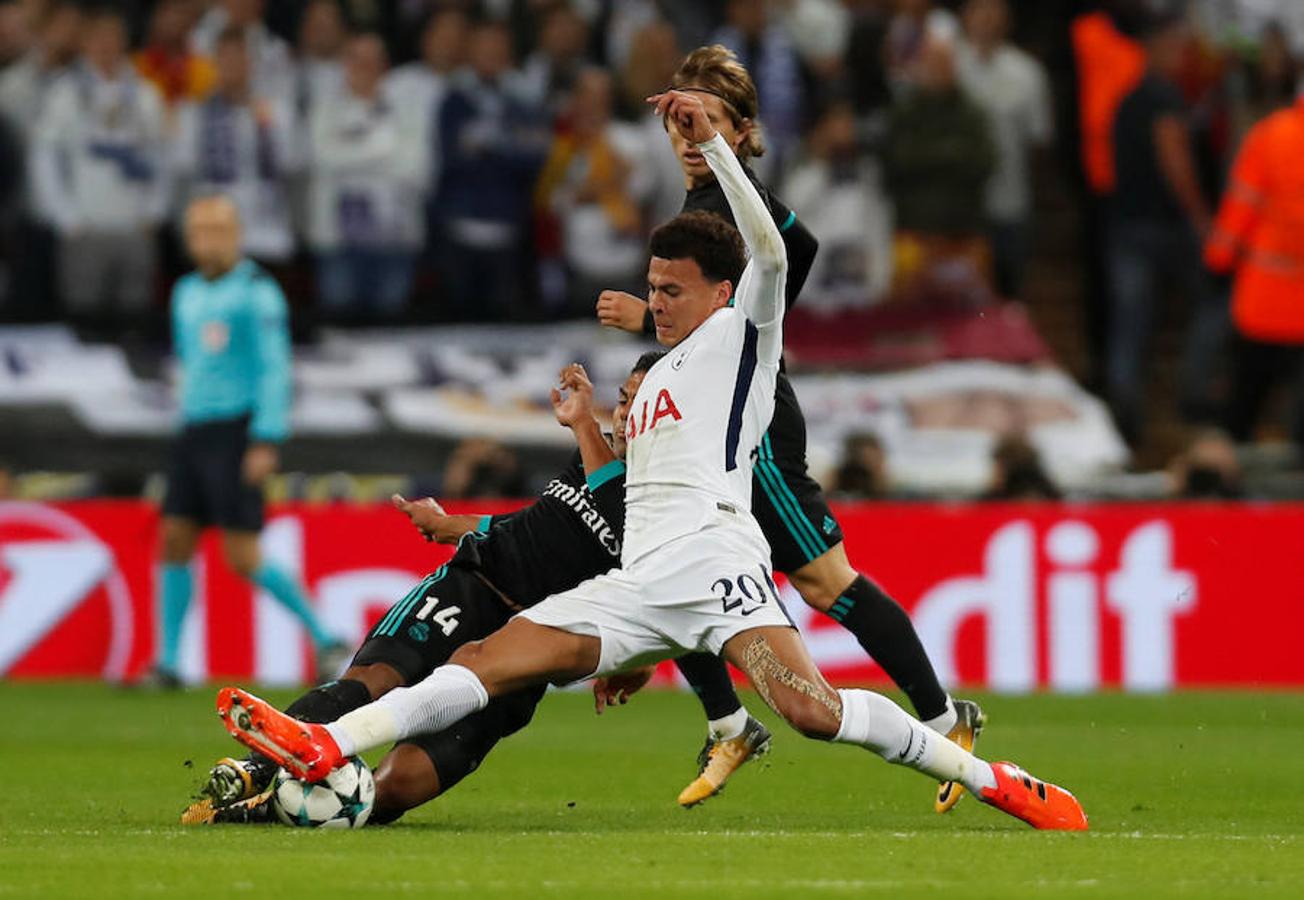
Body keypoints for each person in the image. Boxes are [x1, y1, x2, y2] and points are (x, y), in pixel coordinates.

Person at [213, 90, 1087, 832]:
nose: (656, 302)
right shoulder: (659, 370)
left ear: (717, 291)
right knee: (482, 662)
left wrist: (714, 151)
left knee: (814, 713)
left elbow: (774, 255)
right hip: (637, 582)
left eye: (672, 290)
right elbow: (611, 486)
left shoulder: (747, 334)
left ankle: (994, 779)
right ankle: (330, 742)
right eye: (653, 286)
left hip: (716, 564)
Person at [595, 45, 981, 813]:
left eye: (703, 117)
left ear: (739, 130)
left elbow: (790, 252)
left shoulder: (730, 203)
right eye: (678, 114)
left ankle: (944, 721)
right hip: (714, 412)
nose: (685, 129)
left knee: (823, 580)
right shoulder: (704, 202)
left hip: (753, 424)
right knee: (674, 561)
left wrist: (709, 329)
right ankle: (731, 721)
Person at [183, 355, 660, 824]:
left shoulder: (666, 493)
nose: (625, 414)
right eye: (623, 400)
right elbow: (535, 526)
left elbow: (657, 573)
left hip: (532, 640)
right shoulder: (594, 452)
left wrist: (640, 657)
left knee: (402, 782)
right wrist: (456, 525)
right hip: (475, 586)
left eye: (641, 404)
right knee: (375, 680)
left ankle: (262, 812)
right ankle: (253, 768)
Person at [146, 195, 345, 689]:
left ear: (235, 234)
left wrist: (265, 438)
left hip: (238, 431)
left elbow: (275, 369)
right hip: (194, 430)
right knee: (174, 539)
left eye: (216, 230)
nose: (206, 240)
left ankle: (326, 638)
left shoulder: (257, 292)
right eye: (197, 231)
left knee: (242, 554)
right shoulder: (186, 292)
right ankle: (168, 664)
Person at [1106, 13, 1220, 443]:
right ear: (1155, 48)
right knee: (1213, 301)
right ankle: (1193, 391)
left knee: (1130, 322)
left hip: (1125, 224)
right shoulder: (1162, 98)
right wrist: (1201, 220)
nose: (1180, 54)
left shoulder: (1127, 99)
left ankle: (1125, 412)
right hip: (1162, 227)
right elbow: (1175, 161)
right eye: (1175, 45)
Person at [30, 7, 168, 332]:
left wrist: (154, 212)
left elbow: (163, 157)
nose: (106, 45)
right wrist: (64, 216)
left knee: (135, 321)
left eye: (113, 38)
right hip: (85, 228)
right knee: (83, 320)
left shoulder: (146, 95)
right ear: (85, 43)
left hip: (134, 227)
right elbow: (44, 157)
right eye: (98, 38)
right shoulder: (65, 92)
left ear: (124, 42)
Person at [1204, 81, 1304, 457]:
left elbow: (1241, 204)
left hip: (1265, 301)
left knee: (1246, 398)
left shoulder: (1270, 135)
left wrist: (1217, 261)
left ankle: (1231, 473)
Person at [308, 32, 428, 322]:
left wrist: (353, 150)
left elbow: (415, 168)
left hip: (395, 238)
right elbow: (325, 159)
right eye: (356, 59)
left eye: (371, 60)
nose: (363, 67)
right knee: (340, 318)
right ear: (345, 64)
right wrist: (385, 146)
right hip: (339, 238)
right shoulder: (325, 110)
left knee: (391, 323)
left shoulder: (409, 111)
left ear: (384, 65)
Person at [172, 26, 298, 265]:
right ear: (214, 62)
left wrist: (261, 123)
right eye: (225, 57)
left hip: (266, 235)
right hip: (216, 236)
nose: (232, 64)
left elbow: (291, 162)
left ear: (252, 63)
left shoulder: (276, 112)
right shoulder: (193, 113)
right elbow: (182, 165)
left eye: (239, 56)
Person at [955, 0, 1052, 298]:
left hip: (1010, 201)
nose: (986, 20)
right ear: (965, 17)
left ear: (1008, 21)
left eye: (994, 12)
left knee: (1010, 293)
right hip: (957, 207)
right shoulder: (947, 64)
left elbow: (1039, 140)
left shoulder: (1028, 72)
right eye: (979, 10)